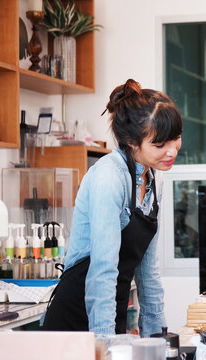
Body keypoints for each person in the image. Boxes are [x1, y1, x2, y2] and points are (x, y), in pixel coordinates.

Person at [43, 79, 182, 337]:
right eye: (159, 145)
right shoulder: (109, 177)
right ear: (131, 142)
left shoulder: (154, 179)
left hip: (111, 312)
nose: (172, 150)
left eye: (176, 138)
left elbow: (148, 271)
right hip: (76, 319)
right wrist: (104, 344)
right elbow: (102, 272)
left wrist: (157, 339)